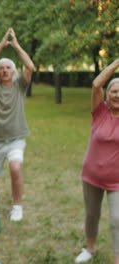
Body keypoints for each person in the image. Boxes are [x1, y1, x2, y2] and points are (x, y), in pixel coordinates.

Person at [0, 28, 35, 222]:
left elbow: (30, 66)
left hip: (15, 139)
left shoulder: (20, 85)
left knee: (15, 167)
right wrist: (2, 45)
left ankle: (17, 206)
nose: (4, 70)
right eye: (1, 67)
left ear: (14, 72)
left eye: (8, 68)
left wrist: (17, 46)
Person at [75, 58, 119, 263]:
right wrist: (116, 63)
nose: (117, 95)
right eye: (114, 91)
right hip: (91, 176)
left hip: (117, 180)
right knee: (91, 215)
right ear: (107, 94)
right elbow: (96, 84)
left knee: (117, 219)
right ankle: (90, 249)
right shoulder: (99, 112)